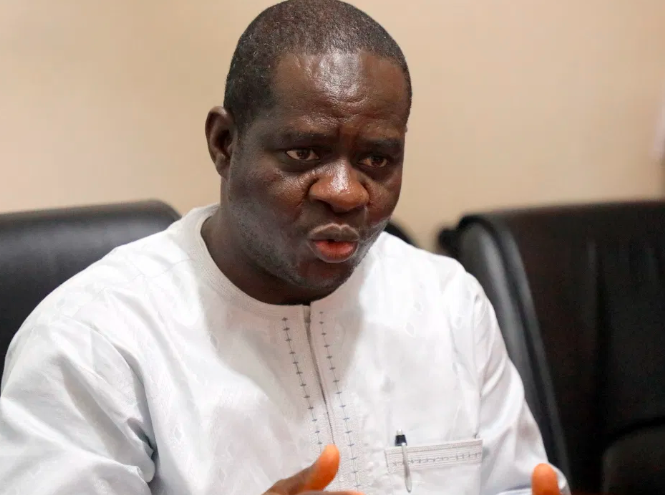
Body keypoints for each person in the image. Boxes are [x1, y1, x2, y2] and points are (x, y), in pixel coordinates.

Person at [0, 1, 569, 494]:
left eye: (377, 159)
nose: (345, 193)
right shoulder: (94, 341)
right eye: (304, 153)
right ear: (225, 144)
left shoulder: (447, 304)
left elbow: (518, 484)